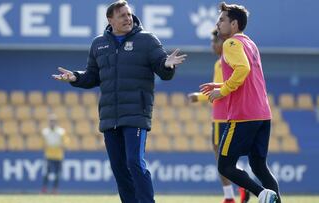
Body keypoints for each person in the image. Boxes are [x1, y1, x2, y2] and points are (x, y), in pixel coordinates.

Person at [52, 1, 186, 202]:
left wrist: (167, 65)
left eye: (129, 14)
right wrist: (76, 77)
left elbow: (163, 69)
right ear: (110, 19)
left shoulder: (147, 40)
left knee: (134, 162)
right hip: (109, 117)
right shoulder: (98, 43)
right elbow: (92, 76)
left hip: (136, 114)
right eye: (122, 15)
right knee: (119, 168)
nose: (127, 18)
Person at [200, 2, 281, 203]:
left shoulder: (231, 43)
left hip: (244, 115)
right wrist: (219, 84)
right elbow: (248, 75)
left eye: (222, 20)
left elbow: (242, 70)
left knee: (225, 166)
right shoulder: (250, 43)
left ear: (234, 24)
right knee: (259, 166)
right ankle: (275, 200)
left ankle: (261, 194)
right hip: (262, 114)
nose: (218, 24)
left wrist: (223, 90)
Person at [188, 29, 250, 203]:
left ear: (222, 42)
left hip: (221, 116)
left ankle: (231, 195)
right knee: (227, 157)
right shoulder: (232, 60)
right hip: (232, 114)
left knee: (220, 157)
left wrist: (197, 97)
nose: (212, 45)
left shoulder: (222, 63)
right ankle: (240, 186)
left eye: (213, 42)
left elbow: (221, 90)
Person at [41, 114, 67, 194]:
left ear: (56, 122)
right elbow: (43, 144)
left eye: (53, 121)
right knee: (47, 173)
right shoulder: (45, 132)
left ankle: (55, 190)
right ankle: (44, 189)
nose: (52, 123)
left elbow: (65, 143)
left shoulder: (61, 132)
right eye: (50, 121)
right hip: (49, 155)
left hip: (58, 156)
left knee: (57, 174)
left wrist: (61, 145)